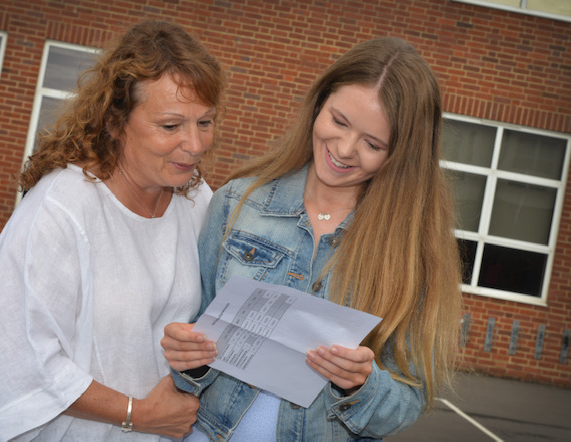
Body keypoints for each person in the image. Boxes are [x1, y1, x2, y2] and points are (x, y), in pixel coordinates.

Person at [161, 36, 462, 441]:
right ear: (319, 104)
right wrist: (190, 360)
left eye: (373, 144)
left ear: (400, 155)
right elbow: (191, 338)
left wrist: (361, 383)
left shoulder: (410, 253)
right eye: (338, 121)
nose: (344, 149)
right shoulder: (237, 202)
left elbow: (406, 401)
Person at [0, 20, 225, 441]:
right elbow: (9, 359)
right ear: (115, 121)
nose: (195, 144)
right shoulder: (62, 208)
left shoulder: (196, 199)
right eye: (171, 126)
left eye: (204, 122)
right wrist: (140, 413)